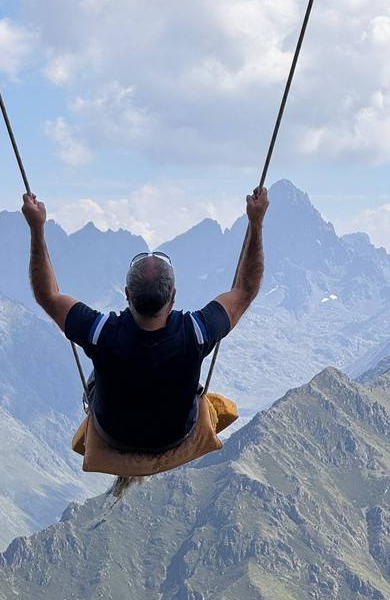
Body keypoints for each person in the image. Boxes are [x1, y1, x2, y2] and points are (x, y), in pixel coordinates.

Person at [22, 187, 269, 454]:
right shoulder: (196, 332)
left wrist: (37, 228)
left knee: (97, 372)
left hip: (114, 436)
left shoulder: (101, 334)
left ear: (127, 295)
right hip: (175, 435)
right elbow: (245, 290)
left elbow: (48, 296)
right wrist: (256, 223)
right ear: (173, 298)